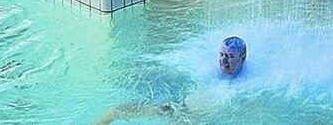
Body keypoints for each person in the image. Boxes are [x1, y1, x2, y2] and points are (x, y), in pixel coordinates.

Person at [94, 37, 247, 124]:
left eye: (230, 56)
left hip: (189, 118)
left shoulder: (243, 86)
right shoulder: (207, 69)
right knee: (117, 110)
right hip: (174, 105)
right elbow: (179, 72)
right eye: (221, 54)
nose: (223, 60)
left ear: (242, 58)